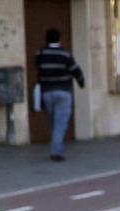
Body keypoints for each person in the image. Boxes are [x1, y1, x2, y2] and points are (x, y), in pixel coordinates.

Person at [34, 28, 84, 162]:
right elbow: (76, 70)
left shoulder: (41, 53)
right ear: (59, 39)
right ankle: (56, 152)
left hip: (47, 92)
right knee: (60, 123)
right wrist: (81, 82)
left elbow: (38, 69)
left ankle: (56, 147)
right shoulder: (65, 55)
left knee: (53, 122)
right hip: (63, 92)